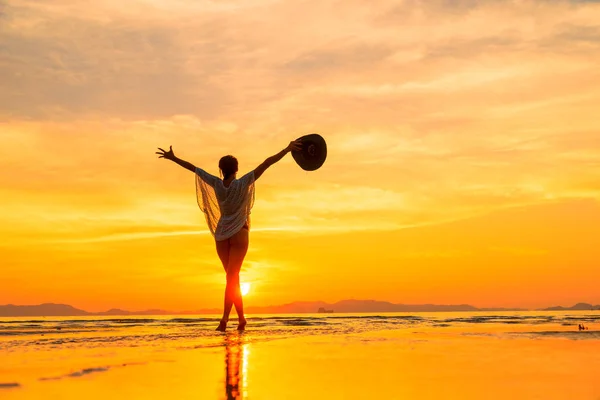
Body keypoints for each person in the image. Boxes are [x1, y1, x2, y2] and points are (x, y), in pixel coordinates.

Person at [156, 140, 302, 331]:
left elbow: (194, 168)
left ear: (220, 169)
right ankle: (226, 319)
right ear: (236, 169)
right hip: (239, 232)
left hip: (222, 234)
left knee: (231, 278)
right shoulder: (243, 182)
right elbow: (267, 163)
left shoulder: (216, 183)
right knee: (232, 278)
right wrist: (287, 149)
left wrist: (173, 158)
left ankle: (238, 319)